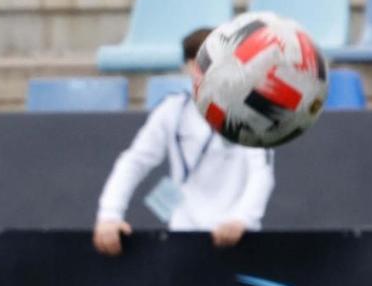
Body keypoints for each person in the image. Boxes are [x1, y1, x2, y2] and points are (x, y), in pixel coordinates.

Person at [94, 27, 275, 255]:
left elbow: (261, 172)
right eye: (203, 61)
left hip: (240, 240)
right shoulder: (172, 111)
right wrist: (109, 215)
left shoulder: (252, 113)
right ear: (189, 66)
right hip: (183, 238)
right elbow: (134, 161)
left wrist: (242, 219)